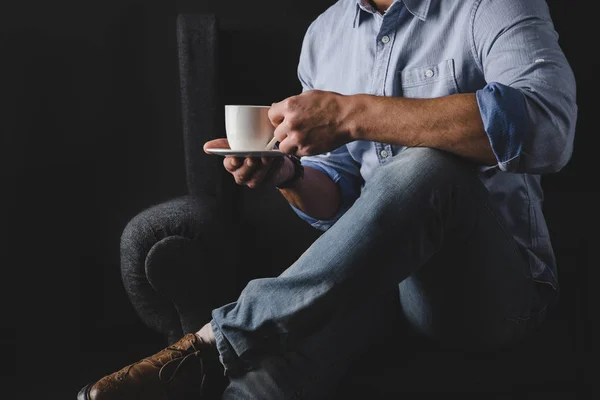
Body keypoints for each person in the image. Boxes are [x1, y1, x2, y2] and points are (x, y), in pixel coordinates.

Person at [78, 0, 577, 398]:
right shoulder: (326, 33)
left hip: (485, 294)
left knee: (429, 165)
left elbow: (549, 127)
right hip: (375, 279)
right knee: (268, 379)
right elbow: (338, 200)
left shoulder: (491, 5)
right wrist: (288, 173)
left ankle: (216, 342)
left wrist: (352, 114)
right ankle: (218, 364)